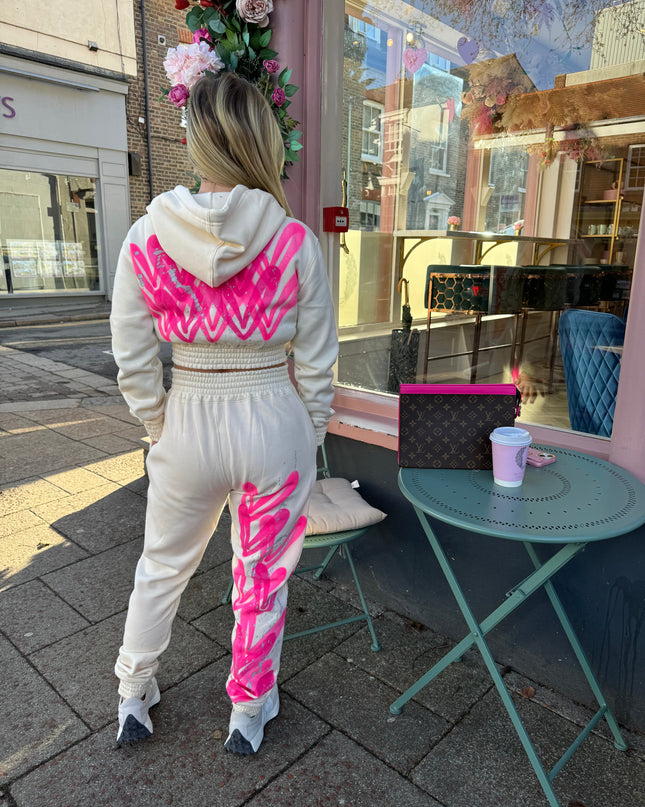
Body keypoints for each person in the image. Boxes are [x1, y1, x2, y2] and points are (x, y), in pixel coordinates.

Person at [109, 71, 338, 755]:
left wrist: (160, 427)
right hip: (273, 419)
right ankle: (247, 705)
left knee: (162, 564)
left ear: (193, 140)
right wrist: (307, 431)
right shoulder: (294, 241)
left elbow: (133, 358)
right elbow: (320, 362)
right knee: (261, 573)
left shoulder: (146, 238)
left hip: (188, 418)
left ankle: (134, 690)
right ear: (261, 142)